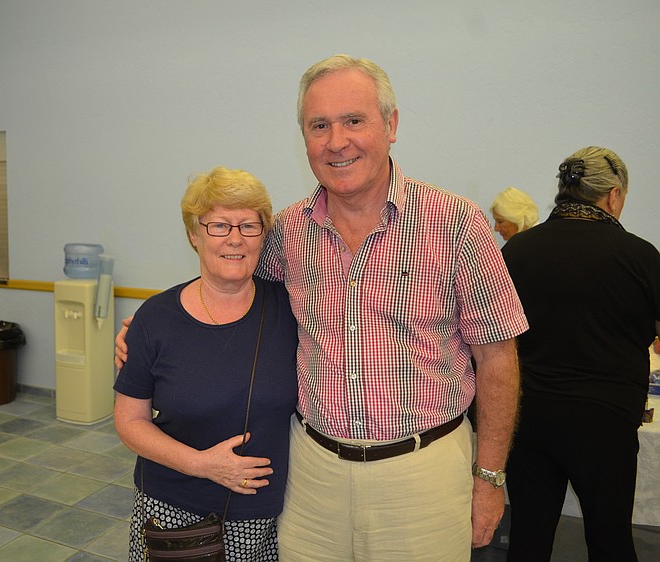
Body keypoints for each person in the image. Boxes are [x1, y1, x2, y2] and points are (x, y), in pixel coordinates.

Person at [118, 55, 528, 560]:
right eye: (319, 126)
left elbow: (498, 358)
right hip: (312, 474)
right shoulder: (288, 233)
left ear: (392, 125)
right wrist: (154, 327)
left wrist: (489, 479)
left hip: (422, 472)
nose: (337, 141)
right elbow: (229, 275)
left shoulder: (456, 225)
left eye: (354, 120)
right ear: (305, 138)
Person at [113, 167, 298, 561]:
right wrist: (203, 465)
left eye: (249, 225)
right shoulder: (155, 318)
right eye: (219, 225)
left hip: (266, 517)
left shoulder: (292, 308)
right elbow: (130, 422)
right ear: (193, 235)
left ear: (263, 236)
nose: (235, 238)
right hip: (174, 514)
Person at [501, 147, 660, 561]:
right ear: (612, 196)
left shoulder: (516, 253)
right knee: (609, 540)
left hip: (529, 418)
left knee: (528, 539)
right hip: (605, 423)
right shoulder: (641, 257)